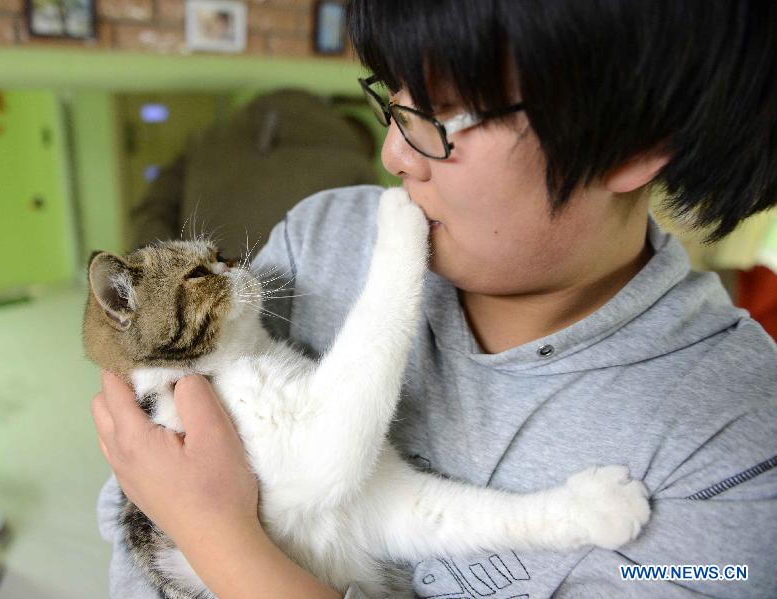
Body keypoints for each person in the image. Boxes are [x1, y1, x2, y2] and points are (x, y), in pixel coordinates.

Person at [91, 1, 777, 597]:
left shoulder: (732, 441)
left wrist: (221, 539)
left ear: (633, 140)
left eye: (443, 112)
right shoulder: (322, 237)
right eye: (392, 97)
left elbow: (189, 507)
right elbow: (139, 505)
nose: (393, 154)